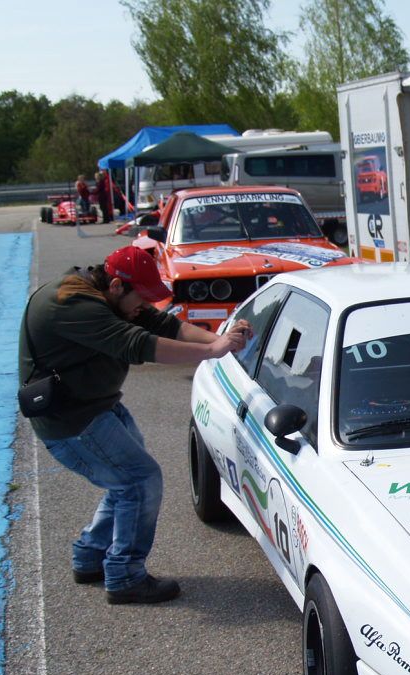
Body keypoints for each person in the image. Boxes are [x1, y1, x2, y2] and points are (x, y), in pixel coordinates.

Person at [18, 246, 251, 604]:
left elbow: (163, 324)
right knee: (139, 481)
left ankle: (90, 555)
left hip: (97, 408)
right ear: (116, 285)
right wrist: (211, 351)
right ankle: (125, 575)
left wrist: (221, 339)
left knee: (126, 483)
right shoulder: (71, 304)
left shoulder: (108, 296)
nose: (143, 307)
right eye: (140, 298)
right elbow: (137, 344)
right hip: (73, 422)